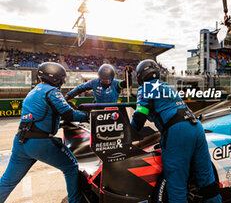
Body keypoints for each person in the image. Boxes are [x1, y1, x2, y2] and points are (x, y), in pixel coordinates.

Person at [130, 60, 222, 203]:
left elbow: (139, 117)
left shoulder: (146, 88)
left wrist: (128, 132)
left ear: (141, 76)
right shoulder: (167, 86)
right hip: (196, 126)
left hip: (178, 132)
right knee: (207, 181)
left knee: (177, 185)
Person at [0, 62, 88, 203]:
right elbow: (70, 115)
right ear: (55, 78)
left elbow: (40, 118)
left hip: (21, 142)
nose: (62, 82)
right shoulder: (52, 92)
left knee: (7, 181)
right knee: (71, 167)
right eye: (62, 79)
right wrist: (89, 115)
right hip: (40, 143)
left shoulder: (32, 92)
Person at [65, 64, 132, 103]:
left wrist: (128, 74)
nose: (105, 83)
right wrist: (68, 96)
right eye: (103, 81)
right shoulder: (94, 82)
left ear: (111, 79)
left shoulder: (116, 83)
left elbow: (127, 84)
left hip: (112, 109)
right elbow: (80, 88)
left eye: (107, 81)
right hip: (98, 108)